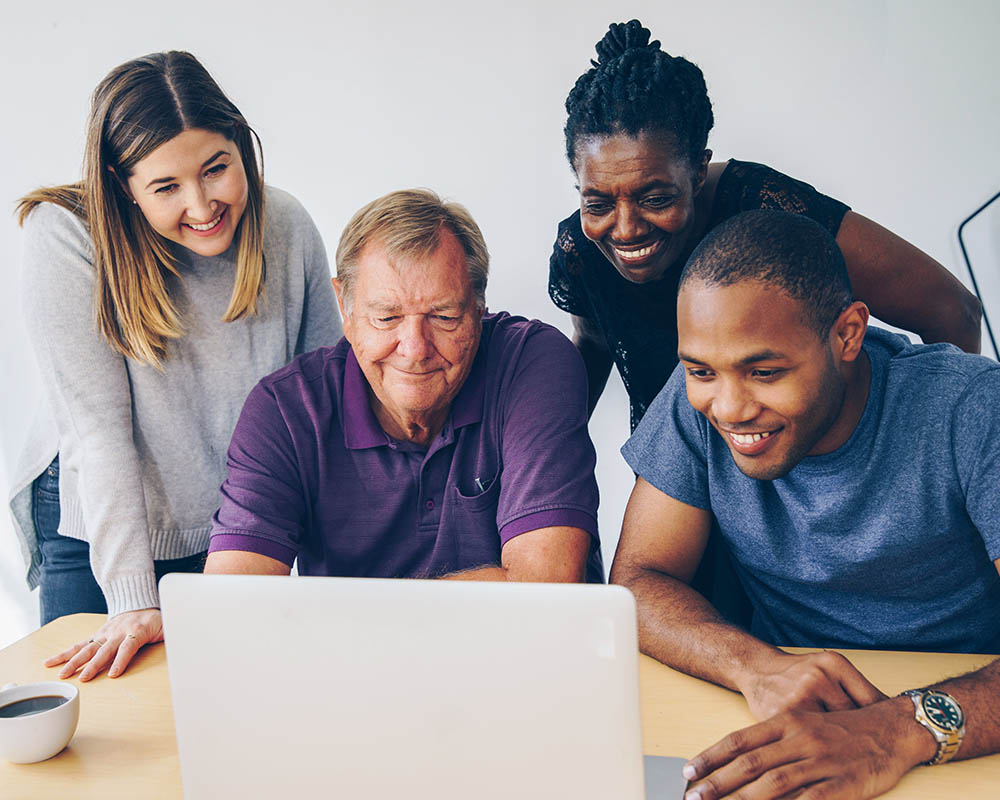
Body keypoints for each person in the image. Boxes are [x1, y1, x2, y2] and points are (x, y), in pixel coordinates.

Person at [610, 209, 1000, 800]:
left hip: (959, 726)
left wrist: (894, 730)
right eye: (701, 371)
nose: (730, 407)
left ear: (848, 334)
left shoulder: (973, 407)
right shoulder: (698, 401)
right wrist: (755, 666)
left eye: (765, 371)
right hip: (789, 717)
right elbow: (639, 580)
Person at [8, 51, 341, 681]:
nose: (202, 203)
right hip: (99, 526)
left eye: (217, 169)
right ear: (120, 184)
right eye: (166, 187)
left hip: (228, 521)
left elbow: (324, 407)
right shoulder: (65, 237)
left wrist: (331, 575)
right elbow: (97, 432)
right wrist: (134, 600)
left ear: (242, 145)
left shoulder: (287, 226)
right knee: (111, 720)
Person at [551, 19, 982, 431]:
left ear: (699, 172)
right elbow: (594, 341)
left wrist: (936, 461)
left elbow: (952, 311)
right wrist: (547, 457)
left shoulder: (767, 211)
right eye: (598, 202)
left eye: (656, 199)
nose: (625, 229)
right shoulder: (583, 252)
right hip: (693, 472)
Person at [204, 189, 602, 583]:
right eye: (387, 317)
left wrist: (347, 617)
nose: (415, 350)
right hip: (351, 650)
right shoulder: (284, 411)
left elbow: (544, 588)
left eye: (443, 316)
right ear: (345, 307)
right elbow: (233, 600)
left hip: (515, 648)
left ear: (479, 307)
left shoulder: (532, 364)